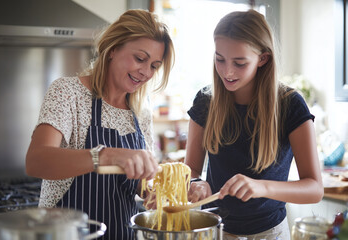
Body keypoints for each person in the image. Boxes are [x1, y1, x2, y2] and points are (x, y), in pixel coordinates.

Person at [25, 9, 174, 240]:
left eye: (154, 66)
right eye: (140, 59)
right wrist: (105, 155)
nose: (146, 72)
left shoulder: (140, 111)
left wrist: (151, 191)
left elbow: (141, 181)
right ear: (113, 49)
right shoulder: (68, 93)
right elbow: (36, 161)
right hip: (65, 234)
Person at [185, 9, 323, 240]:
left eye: (239, 63)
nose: (227, 71)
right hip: (214, 230)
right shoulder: (205, 101)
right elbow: (190, 170)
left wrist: (262, 187)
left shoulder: (290, 105)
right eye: (220, 59)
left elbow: (314, 189)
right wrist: (196, 183)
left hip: (270, 232)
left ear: (263, 58)